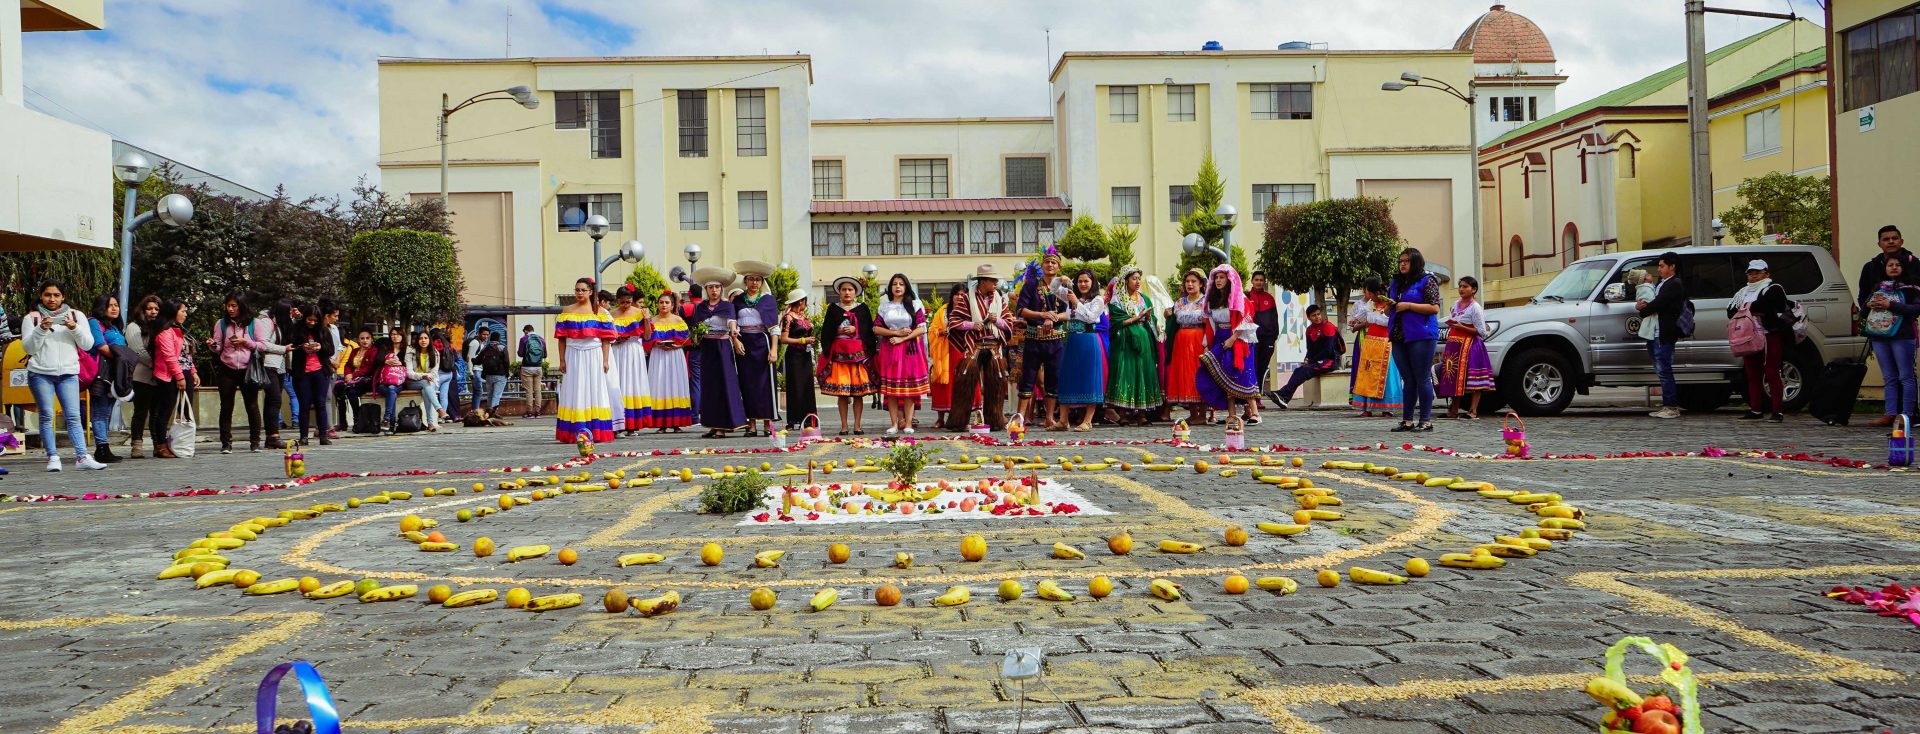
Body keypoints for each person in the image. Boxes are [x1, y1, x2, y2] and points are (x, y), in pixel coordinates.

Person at [21, 280, 107, 471]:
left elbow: (87, 344)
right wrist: (41, 329)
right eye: (47, 295)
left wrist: (74, 327)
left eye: (56, 295)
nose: (52, 299)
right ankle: (53, 457)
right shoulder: (32, 318)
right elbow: (29, 348)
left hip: (68, 372)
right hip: (41, 373)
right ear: (41, 296)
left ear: (63, 297)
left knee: (74, 416)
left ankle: (82, 457)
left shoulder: (77, 315)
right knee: (46, 415)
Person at [943, 264, 1013, 432]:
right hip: (974, 344)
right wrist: (971, 324)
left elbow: (1009, 322)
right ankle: (958, 421)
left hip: (994, 346)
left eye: (996, 280)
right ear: (982, 282)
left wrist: (997, 321)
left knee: (996, 384)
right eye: (992, 280)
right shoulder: (967, 298)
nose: (996, 283)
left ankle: (995, 420)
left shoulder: (999, 299)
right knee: (964, 382)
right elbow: (953, 321)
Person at [1195, 265, 1262, 426]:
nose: (1218, 280)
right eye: (1216, 277)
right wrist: (1207, 343)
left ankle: (1255, 413)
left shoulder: (1239, 298)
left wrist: (1233, 338)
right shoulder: (1212, 300)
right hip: (1220, 338)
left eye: (1222, 277)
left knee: (1243, 374)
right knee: (1224, 375)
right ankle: (1232, 415)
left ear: (1229, 280)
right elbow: (1210, 323)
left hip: (1239, 340)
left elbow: (1247, 319)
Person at [1729, 259, 1792, 422]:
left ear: (1766, 273)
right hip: (1748, 337)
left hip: (1769, 335)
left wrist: (1747, 308)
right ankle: (1755, 409)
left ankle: (1777, 411)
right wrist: (1753, 308)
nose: (1753, 276)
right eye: (1751, 273)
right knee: (1752, 374)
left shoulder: (1774, 288)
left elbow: (1769, 305)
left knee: (1772, 373)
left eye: (1757, 273)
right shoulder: (1743, 292)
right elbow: (1730, 311)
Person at [555, 278, 616, 444]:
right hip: (573, 354)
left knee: (595, 389)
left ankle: (597, 430)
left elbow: (606, 339)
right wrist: (562, 359)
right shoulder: (567, 310)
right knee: (575, 389)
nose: (579, 293)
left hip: (594, 354)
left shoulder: (600, 312)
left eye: (583, 290)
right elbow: (561, 338)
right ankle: (574, 430)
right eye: (577, 290)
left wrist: (605, 360)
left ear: (590, 292)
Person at [1388, 248, 1442, 432]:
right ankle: (1407, 420)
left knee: (1422, 377)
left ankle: (1426, 420)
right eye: (1400, 260)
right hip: (1398, 335)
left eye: (1406, 261)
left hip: (1421, 334)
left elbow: (1434, 308)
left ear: (1416, 262)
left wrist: (1409, 305)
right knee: (1408, 379)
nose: (1402, 264)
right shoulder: (1396, 282)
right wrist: (1389, 306)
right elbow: (1390, 310)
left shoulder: (1427, 280)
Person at [690, 267, 746, 438]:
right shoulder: (701, 308)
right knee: (709, 386)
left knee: (724, 385)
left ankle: (723, 425)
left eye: (717, 287)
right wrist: (696, 336)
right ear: (706, 290)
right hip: (707, 349)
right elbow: (697, 327)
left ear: (721, 289)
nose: (714, 291)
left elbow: (731, 322)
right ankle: (712, 424)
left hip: (722, 348)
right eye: (710, 288)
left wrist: (734, 332)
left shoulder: (727, 306)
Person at [1017, 248, 1069, 430]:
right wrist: (1041, 314)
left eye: (1054, 262)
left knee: (1053, 379)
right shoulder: (1031, 285)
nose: (1050, 265)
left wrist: (1052, 317)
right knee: (1028, 378)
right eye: (1047, 262)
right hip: (1034, 337)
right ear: (1042, 266)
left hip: (1056, 340)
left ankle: (1049, 418)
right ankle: (1020, 418)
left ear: (1059, 267)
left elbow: (1070, 311)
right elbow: (1021, 310)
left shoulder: (1063, 288)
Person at [1865, 256, 1920, 424]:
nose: (1894, 267)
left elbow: (1915, 310)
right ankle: (1890, 414)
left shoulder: (1912, 289)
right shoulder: (1878, 287)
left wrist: (1891, 306)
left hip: (1903, 336)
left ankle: (1906, 415)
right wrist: (1869, 305)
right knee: (1889, 377)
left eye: (1898, 265)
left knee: (1906, 376)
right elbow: (1863, 310)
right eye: (1890, 265)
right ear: (1885, 268)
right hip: (1880, 335)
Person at [727, 262, 780, 437]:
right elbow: (732, 322)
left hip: (762, 342)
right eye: (751, 279)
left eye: (758, 280)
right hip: (744, 344)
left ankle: (767, 423)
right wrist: (735, 341)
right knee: (747, 384)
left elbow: (774, 327)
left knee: (765, 384)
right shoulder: (738, 300)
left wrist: (774, 349)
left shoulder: (768, 300)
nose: (754, 283)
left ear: (761, 282)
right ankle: (751, 424)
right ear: (745, 282)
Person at [819, 277, 877, 435]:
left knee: (858, 393)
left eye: (850, 290)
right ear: (839, 292)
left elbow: (869, 331)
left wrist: (856, 330)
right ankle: (844, 426)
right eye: (844, 289)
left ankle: (857, 425)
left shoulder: (862, 309)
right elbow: (826, 332)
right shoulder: (833, 309)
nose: (847, 292)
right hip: (839, 356)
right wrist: (837, 331)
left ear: (855, 293)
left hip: (858, 356)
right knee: (842, 393)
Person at [208, 293, 265, 453]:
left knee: (252, 405)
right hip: (227, 368)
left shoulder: (255, 323)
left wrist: (245, 342)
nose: (231, 309)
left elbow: (262, 345)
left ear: (242, 306)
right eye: (228, 306)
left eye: (234, 306)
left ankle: (255, 442)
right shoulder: (221, 324)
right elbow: (218, 346)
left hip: (248, 369)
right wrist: (213, 345)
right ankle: (226, 443)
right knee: (226, 406)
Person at [1106, 267, 1163, 425]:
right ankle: (1123, 414)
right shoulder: (1117, 301)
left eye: (1139, 278)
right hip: (1125, 342)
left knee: (1142, 373)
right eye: (1133, 278)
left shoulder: (1144, 299)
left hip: (1143, 341)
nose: (1137, 282)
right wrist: (1137, 318)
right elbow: (1116, 321)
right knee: (1126, 373)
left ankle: (1142, 415)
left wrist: (1149, 319)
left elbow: (1152, 321)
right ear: (1125, 280)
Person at [874, 274, 930, 435]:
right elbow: (876, 328)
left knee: (909, 389)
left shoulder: (914, 304)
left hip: (910, 350)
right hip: (890, 349)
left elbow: (921, 328)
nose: (897, 287)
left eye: (901, 284)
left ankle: (908, 423)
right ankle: (894, 423)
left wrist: (902, 338)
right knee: (891, 389)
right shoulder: (884, 306)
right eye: (894, 284)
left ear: (906, 287)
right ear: (890, 287)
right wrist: (895, 333)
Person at [1054, 269, 1108, 431]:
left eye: (1086, 281)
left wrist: (1077, 302)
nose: (1083, 284)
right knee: (1066, 376)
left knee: (1090, 378)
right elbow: (1054, 289)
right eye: (1079, 281)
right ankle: (1063, 420)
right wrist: (1060, 279)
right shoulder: (1070, 295)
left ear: (1093, 283)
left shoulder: (1098, 299)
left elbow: (1091, 318)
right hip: (1072, 340)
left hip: (1088, 339)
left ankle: (1088, 420)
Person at [1636, 252, 1688, 420]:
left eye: (1662, 266)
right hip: (1655, 333)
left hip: (1664, 333)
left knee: (1664, 370)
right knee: (1661, 370)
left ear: (1672, 267)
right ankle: (1667, 404)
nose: (1659, 269)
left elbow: (1659, 303)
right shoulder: (1662, 283)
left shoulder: (1674, 284)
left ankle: (1671, 406)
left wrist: (1643, 309)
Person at [1438, 276, 1496, 419]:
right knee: (1454, 378)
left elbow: (1481, 331)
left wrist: (1461, 327)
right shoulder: (1456, 304)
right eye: (1460, 286)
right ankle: (1454, 410)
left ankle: (1473, 411)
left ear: (1474, 289)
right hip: (1455, 346)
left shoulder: (1475, 308)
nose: (1461, 289)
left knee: (1473, 379)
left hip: (1470, 346)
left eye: (1465, 286)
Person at [146, 299, 198, 457]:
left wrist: (193, 371)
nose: (185, 314)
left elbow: (186, 355)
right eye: (182, 311)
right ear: (173, 312)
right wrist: (179, 377)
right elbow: (169, 357)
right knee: (165, 411)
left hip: (185, 373)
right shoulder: (164, 332)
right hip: (169, 376)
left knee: (185, 411)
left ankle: (182, 444)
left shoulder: (179, 329)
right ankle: (160, 445)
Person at [1348, 278, 1403, 418]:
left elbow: (1387, 321)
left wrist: (1376, 316)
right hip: (1370, 343)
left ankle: (1387, 408)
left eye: (1369, 293)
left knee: (1386, 374)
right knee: (1367, 374)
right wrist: (1355, 320)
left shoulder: (1389, 304)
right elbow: (1360, 317)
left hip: (1384, 342)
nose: (1368, 296)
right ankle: (1366, 408)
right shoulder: (1370, 304)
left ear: (1377, 292)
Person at [85, 294, 128, 463]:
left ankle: (104, 446)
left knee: (107, 410)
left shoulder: (115, 327)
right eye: (110, 305)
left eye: (116, 305)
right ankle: (101, 448)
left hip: (114, 372)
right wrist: (121, 357)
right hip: (100, 372)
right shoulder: (94, 322)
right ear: (101, 307)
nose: (114, 308)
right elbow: (100, 345)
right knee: (100, 411)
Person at [1275, 304, 1342, 409]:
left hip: (1330, 361)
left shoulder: (1328, 327)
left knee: (1305, 370)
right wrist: (1307, 359)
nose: (1317, 317)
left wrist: (1311, 360)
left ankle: (1283, 395)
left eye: (1318, 314)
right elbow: (1310, 349)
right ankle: (1284, 397)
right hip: (1318, 361)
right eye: (1314, 315)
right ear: (1309, 318)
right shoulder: (1309, 330)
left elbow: (1328, 351)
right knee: (1299, 370)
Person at [1165, 269, 1210, 424]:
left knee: (1200, 374)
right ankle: (1192, 413)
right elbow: (1174, 322)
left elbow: (1210, 325)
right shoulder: (1179, 303)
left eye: (1194, 281)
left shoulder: (1206, 302)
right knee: (1185, 375)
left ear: (1202, 284)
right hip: (1182, 342)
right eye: (1187, 281)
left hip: (1199, 340)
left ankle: (1203, 414)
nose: (1190, 284)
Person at [646, 291, 695, 432]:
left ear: (672, 305)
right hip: (658, 355)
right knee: (659, 386)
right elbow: (646, 338)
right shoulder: (652, 320)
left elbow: (687, 339)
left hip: (674, 355)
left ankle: (676, 422)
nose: (664, 305)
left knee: (675, 385)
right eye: (661, 302)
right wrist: (656, 344)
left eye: (667, 302)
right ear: (657, 304)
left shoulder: (678, 320)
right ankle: (661, 423)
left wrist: (678, 345)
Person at [123, 295, 163, 458]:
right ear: (143, 310)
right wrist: (157, 365)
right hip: (142, 375)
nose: (153, 312)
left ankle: (157, 445)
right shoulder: (134, 327)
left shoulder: (161, 327)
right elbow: (138, 351)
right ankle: (136, 446)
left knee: (157, 413)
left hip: (160, 377)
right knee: (141, 412)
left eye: (156, 309)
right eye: (150, 308)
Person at [287, 305, 334, 444]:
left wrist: (320, 347)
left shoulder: (324, 331)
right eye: (309, 319)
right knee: (304, 404)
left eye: (315, 320)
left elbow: (330, 350)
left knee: (321, 403)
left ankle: (323, 435)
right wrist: (303, 348)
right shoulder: (297, 329)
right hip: (302, 372)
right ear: (305, 318)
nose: (312, 323)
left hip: (320, 371)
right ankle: (304, 436)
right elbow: (291, 345)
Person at [609, 286, 653, 433]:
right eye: (622, 302)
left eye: (628, 302)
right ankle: (617, 421)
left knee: (633, 384)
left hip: (633, 349)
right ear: (617, 301)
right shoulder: (611, 314)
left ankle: (633, 423)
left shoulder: (639, 313)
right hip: (616, 350)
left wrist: (646, 320)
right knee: (617, 384)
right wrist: (615, 340)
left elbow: (647, 336)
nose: (625, 305)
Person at [777, 289, 818, 432]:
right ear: (801, 301)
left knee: (807, 385)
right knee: (796, 385)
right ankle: (794, 418)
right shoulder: (789, 317)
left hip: (805, 355)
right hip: (794, 355)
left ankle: (808, 418)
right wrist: (802, 340)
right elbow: (783, 339)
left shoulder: (804, 317)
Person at [1859, 226, 1919, 316]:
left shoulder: (1913, 263)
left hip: (1905, 323)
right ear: (1879, 244)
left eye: (1894, 238)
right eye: (1886, 239)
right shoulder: (1870, 267)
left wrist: (1892, 306)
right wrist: (1868, 307)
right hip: (1877, 323)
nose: (1891, 241)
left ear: (1901, 241)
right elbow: (1863, 296)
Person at [928, 284, 960, 427]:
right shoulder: (943, 311)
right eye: (957, 294)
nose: (959, 297)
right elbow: (932, 328)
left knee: (960, 383)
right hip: (943, 351)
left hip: (960, 351)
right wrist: (940, 332)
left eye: (962, 295)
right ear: (952, 296)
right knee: (941, 384)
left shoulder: (969, 310)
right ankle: (940, 418)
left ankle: (960, 417)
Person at [1248, 271, 1280, 411]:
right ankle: (1250, 398)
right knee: (1252, 367)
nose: (1259, 282)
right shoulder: (1246, 297)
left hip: (1267, 339)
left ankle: (1258, 398)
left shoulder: (1269, 298)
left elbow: (1275, 319)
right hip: (1252, 338)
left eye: (1261, 280)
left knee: (1262, 368)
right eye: (1256, 279)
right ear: (1252, 281)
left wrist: (1273, 336)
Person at [594, 291, 623, 437]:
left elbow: (613, 334)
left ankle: (611, 424)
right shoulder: (602, 313)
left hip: (603, 353)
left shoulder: (604, 314)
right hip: (595, 353)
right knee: (607, 386)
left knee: (608, 386)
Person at [403, 330, 445, 432]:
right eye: (421, 338)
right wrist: (424, 376)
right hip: (412, 382)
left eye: (426, 338)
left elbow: (434, 373)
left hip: (429, 382)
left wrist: (426, 377)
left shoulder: (435, 353)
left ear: (429, 340)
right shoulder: (410, 352)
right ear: (417, 340)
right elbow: (409, 373)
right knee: (426, 384)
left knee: (426, 389)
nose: (423, 340)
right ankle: (439, 409)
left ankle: (430, 423)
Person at [318, 299, 344, 438]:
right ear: (326, 315)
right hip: (323, 365)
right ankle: (328, 427)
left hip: (334, 366)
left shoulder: (334, 329)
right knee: (325, 396)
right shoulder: (318, 329)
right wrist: (330, 362)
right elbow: (319, 349)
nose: (337, 318)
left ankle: (320, 426)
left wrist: (337, 361)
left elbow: (339, 346)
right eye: (335, 315)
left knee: (329, 396)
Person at [517, 324, 546, 417]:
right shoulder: (541, 339)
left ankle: (529, 412)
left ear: (526, 331)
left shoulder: (524, 339)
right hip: (538, 367)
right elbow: (545, 355)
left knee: (529, 391)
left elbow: (520, 354)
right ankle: (537, 411)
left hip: (527, 368)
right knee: (538, 390)